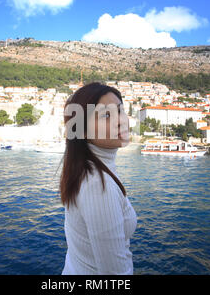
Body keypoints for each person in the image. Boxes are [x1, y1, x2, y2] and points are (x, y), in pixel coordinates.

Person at [60, 82, 137, 275]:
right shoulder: (98, 186)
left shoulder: (87, 169)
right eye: (106, 115)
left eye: (120, 111)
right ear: (83, 131)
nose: (120, 121)